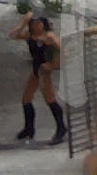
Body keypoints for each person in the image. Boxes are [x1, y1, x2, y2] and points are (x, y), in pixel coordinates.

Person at [11, 12, 65, 144]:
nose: (37, 26)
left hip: (43, 71)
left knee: (50, 99)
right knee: (26, 99)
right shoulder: (30, 36)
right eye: (34, 23)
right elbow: (13, 35)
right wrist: (24, 21)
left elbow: (63, 51)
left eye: (39, 23)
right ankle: (29, 128)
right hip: (35, 69)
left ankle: (61, 128)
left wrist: (52, 65)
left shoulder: (48, 37)